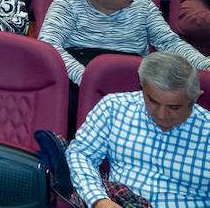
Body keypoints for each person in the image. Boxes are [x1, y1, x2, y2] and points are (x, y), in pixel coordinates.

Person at [38, 0, 210, 85]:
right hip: (80, 69)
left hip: (130, 71)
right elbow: (49, 45)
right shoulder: (68, 1)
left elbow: (168, 41)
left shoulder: (142, 2)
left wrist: (204, 64)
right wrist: (86, 78)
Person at [65, 51, 210, 208]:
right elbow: (81, 154)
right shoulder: (114, 108)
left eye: (174, 107)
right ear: (143, 88)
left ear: (195, 98)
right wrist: (98, 200)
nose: (161, 115)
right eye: (152, 101)